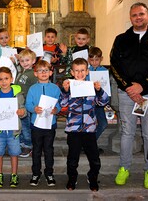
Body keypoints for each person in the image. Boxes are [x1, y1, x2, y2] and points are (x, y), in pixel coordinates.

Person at [110, 2, 148, 189]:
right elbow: (114, 65)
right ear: (130, 18)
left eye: (141, 14)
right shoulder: (121, 39)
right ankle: (124, 168)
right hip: (126, 93)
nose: (138, 17)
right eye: (135, 15)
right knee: (127, 132)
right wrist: (129, 87)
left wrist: (142, 86)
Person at [59, 58, 109, 191]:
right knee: (72, 158)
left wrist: (99, 90)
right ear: (72, 72)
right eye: (76, 71)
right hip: (74, 130)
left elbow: (103, 102)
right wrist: (64, 91)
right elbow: (62, 104)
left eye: (82, 70)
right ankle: (72, 178)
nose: (79, 73)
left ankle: (92, 177)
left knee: (94, 159)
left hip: (89, 129)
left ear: (87, 72)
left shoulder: (92, 86)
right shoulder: (69, 86)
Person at [0, 67, 26, 188]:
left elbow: (23, 109)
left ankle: (14, 175)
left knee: (14, 153)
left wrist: (22, 112)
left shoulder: (18, 93)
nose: (4, 82)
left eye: (6, 78)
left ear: (11, 79)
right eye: (1, 79)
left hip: (13, 131)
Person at [25, 60, 61, 187]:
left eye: (46, 70)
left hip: (50, 124)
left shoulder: (55, 88)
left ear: (51, 72)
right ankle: (36, 173)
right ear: (35, 74)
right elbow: (27, 104)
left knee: (49, 150)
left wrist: (56, 110)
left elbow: (58, 104)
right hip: (36, 124)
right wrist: (33, 109)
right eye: (40, 70)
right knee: (36, 150)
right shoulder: (32, 89)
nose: (44, 73)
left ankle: (49, 173)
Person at [15, 49, 37, 157]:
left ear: (33, 61)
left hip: (26, 103)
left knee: (26, 125)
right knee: (21, 125)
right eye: (22, 60)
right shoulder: (20, 72)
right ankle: (22, 143)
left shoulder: (33, 74)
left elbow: (35, 90)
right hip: (19, 103)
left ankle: (28, 146)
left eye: (27, 60)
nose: (25, 63)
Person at [87, 47, 108, 143]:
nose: (94, 62)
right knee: (89, 124)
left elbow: (106, 88)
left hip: (99, 103)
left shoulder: (105, 71)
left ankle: (90, 143)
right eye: (92, 60)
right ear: (88, 60)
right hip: (88, 102)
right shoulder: (86, 71)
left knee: (103, 123)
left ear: (101, 59)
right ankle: (87, 145)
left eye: (97, 60)